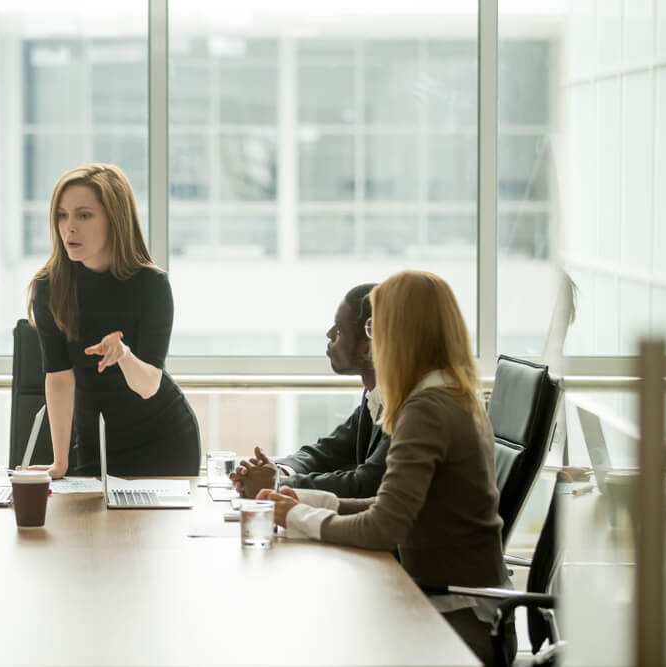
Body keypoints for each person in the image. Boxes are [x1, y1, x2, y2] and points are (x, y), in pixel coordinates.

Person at [259, 270, 512, 666]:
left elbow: (382, 527)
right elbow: (387, 506)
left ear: (402, 332)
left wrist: (299, 516)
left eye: (376, 327)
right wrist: (303, 501)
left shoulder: (427, 408)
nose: (373, 340)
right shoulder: (444, 394)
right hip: (438, 597)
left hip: (455, 618)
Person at [27, 164, 200, 477]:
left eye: (84, 215)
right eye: (62, 215)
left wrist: (123, 355)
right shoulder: (49, 286)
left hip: (163, 442)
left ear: (114, 219)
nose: (69, 228)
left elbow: (149, 385)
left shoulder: (151, 285)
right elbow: (59, 376)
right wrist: (60, 462)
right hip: (95, 441)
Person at [231, 283, 392, 498]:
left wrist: (277, 484)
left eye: (339, 329)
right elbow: (326, 452)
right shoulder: (374, 396)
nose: (329, 334)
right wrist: (277, 471)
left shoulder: (405, 405)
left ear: (365, 349)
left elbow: (366, 484)